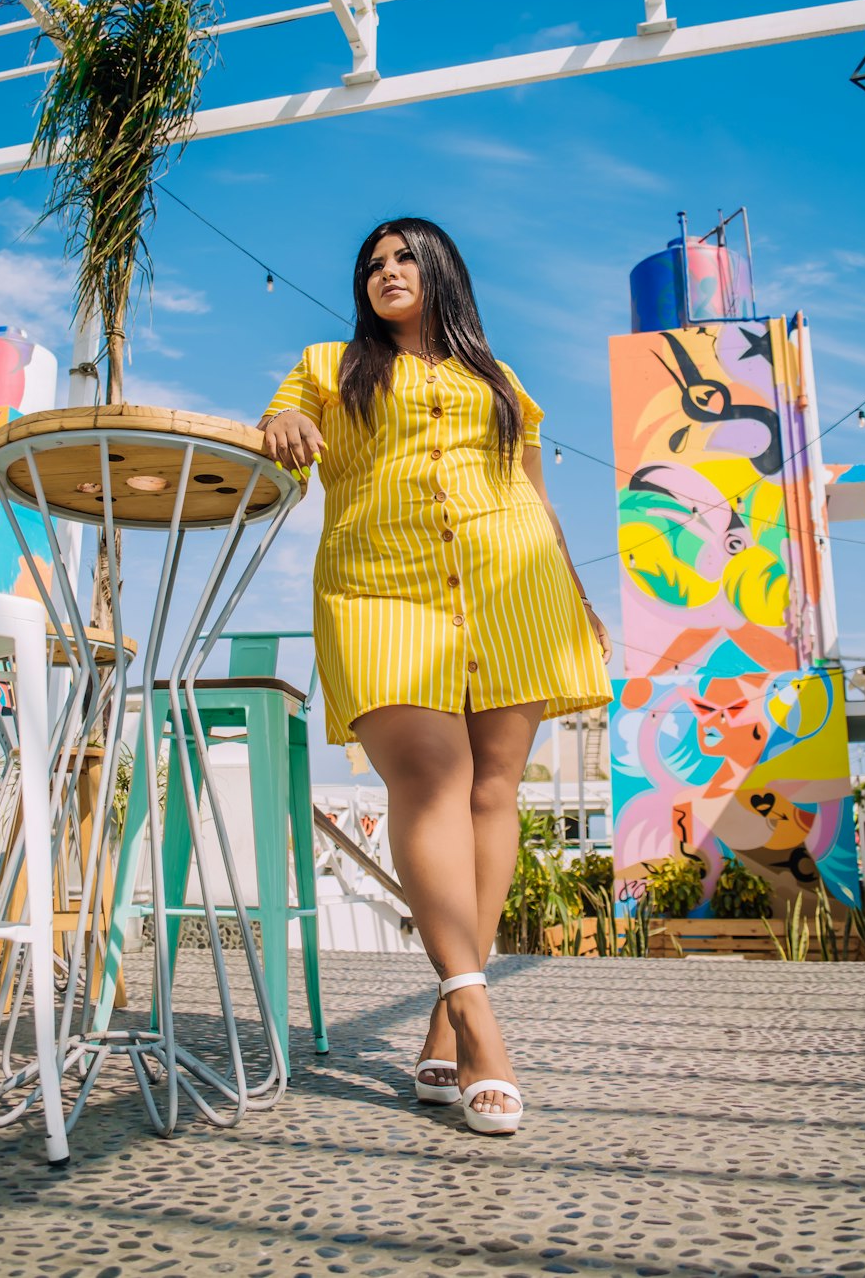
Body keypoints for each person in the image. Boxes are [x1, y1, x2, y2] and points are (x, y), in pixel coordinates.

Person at [259, 217, 612, 1135]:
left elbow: (535, 494)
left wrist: (575, 596)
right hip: (378, 585)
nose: (385, 271)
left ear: (443, 270)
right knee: (430, 777)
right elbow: (280, 419)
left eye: (404, 256)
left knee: (495, 790)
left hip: (515, 583)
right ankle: (480, 1019)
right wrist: (288, 420)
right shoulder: (331, 364)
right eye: (371, 262)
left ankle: (445, 1011)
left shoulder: (502, 382)